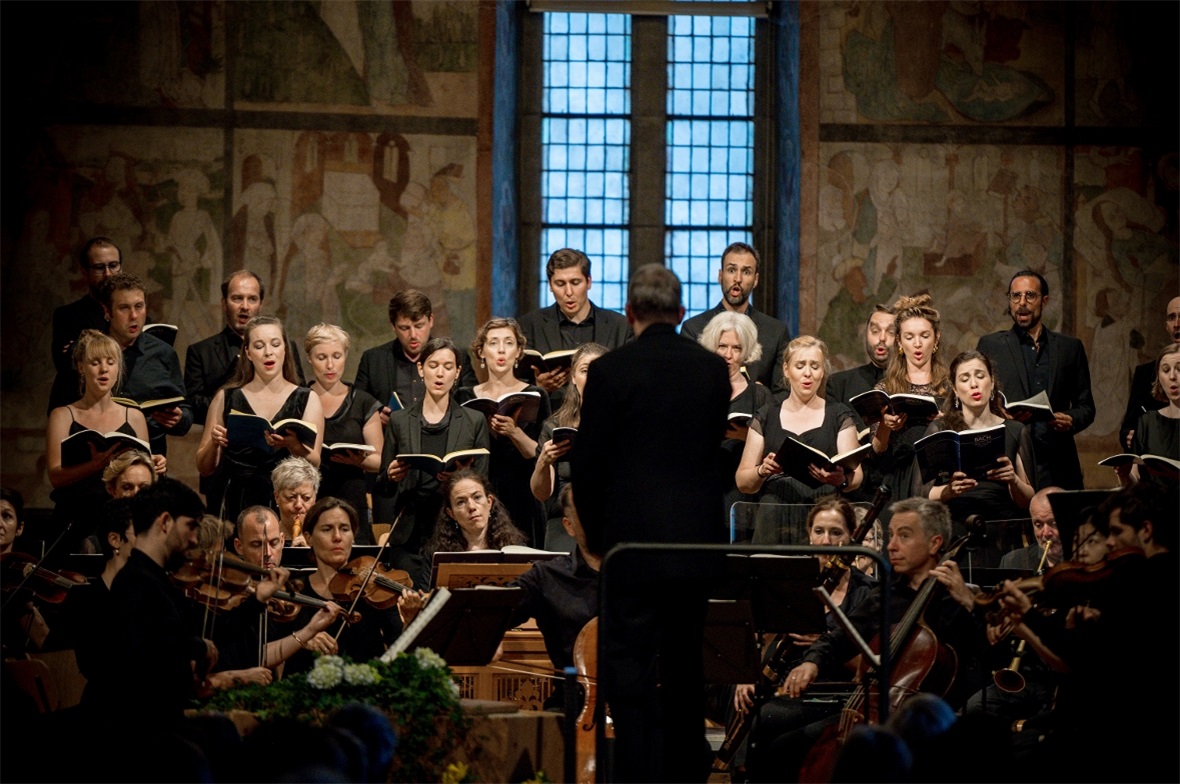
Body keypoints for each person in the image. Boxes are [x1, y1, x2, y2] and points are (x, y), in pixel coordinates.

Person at [571, 263, 731, 782]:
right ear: (682, 313)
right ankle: (687, 777)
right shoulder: (710, 370)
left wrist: (597, 539)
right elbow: (709, 456)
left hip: (631, 549)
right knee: (686, 668)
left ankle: (638, 775)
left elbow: (589, 465)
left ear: (630, 312)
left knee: (629, 670)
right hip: (695, 548)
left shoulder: (611, 371)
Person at [776, 498, 986, 781]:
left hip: (928, 724)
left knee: (796, 750)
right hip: (868, 709)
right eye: (891, 535)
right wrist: (812, 662)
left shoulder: (958, 598)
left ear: (935, 544)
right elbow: (842, 637)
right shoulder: (887, 594)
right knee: (777, 737)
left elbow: (985, 656)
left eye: (904, 536)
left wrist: (970, 605)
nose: (891, 546)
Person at [736, 497, 877, 779]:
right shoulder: (792, 580)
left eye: (836, 533)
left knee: (770, 724)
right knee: (745, 702)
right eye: (819, 531)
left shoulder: (868, 592)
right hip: (786, 686)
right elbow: (762, 637)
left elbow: (869, 667)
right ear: (808, 534)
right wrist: (746, 674)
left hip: (836, 693)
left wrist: (821, 642)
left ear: (851, 537)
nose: (826, 540)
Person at [85, 478, 216, 726]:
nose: (195, 540)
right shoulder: (136, 583)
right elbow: (152, 654)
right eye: (191, 526)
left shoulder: (153, 580)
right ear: (165, 522)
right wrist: (198, 648)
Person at [375, 337, 490, 576]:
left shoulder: (473, 420)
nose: (440, 374)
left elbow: (484, 480)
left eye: (448, 367)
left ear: (457, 373)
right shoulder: (400, 420)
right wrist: (391, 475)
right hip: (411, 531)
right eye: (433, 365)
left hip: (456, 531)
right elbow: (382, 487)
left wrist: (461, 477)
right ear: (421, 368)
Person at [736, 336, 864, 543]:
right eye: (800, 365)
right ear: (786, 370)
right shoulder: (766, 415)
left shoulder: (839, 414)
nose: (807, 373)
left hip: (824, 516)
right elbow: (743, 481)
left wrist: (840, 479)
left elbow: (856, 476)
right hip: (775, 514)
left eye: (815, 366)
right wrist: (762, 470)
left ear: (823, 372)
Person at [196, 316, 324, 524]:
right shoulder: (226, 397)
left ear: (285, 349)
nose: (268, 352)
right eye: (259, 346)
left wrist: (294, 446)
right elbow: (204, 466)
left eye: (275, 344)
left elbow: (315, 462)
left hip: (286, 503)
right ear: (247, 352)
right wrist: (214, 443)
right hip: (236, 499)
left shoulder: (307, 398)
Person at [46, 330, 164, 551]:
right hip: (76, 518)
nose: (103, 369)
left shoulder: (134, 416)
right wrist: (94, 465)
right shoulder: (62, 415)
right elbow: (55, 476)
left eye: (110, 362)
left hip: (125, 519)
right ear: (81, 367)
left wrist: (154, 465)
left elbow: (146, 476)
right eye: (95, 362)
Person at [977, 270, 1095, 490]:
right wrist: (1000, 415)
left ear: (1044, 301)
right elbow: (976, 403)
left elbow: (1087, 407)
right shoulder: (990, 345)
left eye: (1030, 295)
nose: (1022, 303)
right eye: (1015, 296)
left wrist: (1070, 419)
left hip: (1058, 462)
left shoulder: (1070, 347)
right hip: (1010, 459)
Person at [206, 506, 345, 685]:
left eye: (273, 543)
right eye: (256, 545)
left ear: (282, 541)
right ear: (239, 547)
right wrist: (301, 638)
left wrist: (305, 639)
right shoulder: (225, 593)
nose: (267, 554)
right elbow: (248, 654)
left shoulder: (293, 590)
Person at [283, 498, 422, 676]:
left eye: (345, 529)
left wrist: (410, 621)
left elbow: (399, 654)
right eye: (327, 529)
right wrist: (300, 640)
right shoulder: (294, 589)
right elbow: (269, 651)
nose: (338, 537)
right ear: (309, 537)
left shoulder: (375, 591)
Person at [456, 318, 551, 547]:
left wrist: (513, 431)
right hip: (479, 494)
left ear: (518, 352)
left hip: (523, 493)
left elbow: (540, 455)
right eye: (493, 343)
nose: (501, 350)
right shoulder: (464, 396)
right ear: (481, 351)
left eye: (508, 343)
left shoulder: (537, 395)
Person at [507, 483, 600, 711]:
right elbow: (489, 609)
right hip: (576, 707)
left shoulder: (640, 574)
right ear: (569, 526)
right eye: (586, 513)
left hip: (638, 709)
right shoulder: (547, 576)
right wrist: (487, 635)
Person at [920, 351, 1036, 522]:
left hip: (1002, 525)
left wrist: (1014, 480)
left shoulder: (1015, 430)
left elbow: (1029, 502)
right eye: (965, 379)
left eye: (980, 376)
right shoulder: (941, 429)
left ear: (992, 382)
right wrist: (949, 490)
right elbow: (921, 495)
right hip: (955, 524)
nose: (974, 384)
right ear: (955, 389)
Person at [516, 248, 632, 407]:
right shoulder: (529, 325)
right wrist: (539, 387)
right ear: (550, 285)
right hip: (549, 419)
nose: (568, 292)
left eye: (575, 283)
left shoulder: (620, 326)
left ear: (589, 282)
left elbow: (632, 382)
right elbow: (515, 384)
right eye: (560, 284)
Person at [99, 273, 193, 456]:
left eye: (139, 306)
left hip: (151, 457)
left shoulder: (163, 352)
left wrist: (179, 418)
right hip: (99, 457)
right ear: (107, 311)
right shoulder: (91, 352)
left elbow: (186, 412)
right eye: (124, 308)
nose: (133, 315)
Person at [306, 323, 383, 541]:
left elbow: (380, 459)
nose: (330, 365)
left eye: (337, 356)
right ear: (310, 358)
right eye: (321, 358)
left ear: (346, 355)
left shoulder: (363, 402)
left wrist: (358, 461)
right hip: (309, 497)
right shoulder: (298, 398)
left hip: (351, 496)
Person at [870, 294, 949, 505]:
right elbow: (877, 449)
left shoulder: (949, 386)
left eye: (924, 335)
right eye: (909, 336)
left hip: (940, 478)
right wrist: (886, 426)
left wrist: (946, 423)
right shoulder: (886, 388)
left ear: (936, 338)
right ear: (899, 341)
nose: (917, 344)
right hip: (899, 478)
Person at [679, 242, 790, 392]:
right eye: (731, 270)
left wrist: (760, 401)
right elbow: (685, 387)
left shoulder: (776, 332)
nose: (737, 278)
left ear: (756, 280)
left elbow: (783, 394)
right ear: (720, 275)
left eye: (746, 272)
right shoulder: (693, 329)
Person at [354, 289, 477, 423]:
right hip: (391, 439)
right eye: (404, 328)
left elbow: (472, 407)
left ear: (431, 321)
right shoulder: (373, 360)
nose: (413, 335)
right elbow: (358, 409)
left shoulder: (456, 356)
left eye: (419, 326)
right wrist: (375, 418)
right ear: (393, 326)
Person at [697, 311, 773, 525]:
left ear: (746, 351)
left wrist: (748, 438)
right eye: (722, 346)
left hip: (742, 495)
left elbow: (775, 445)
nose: (728, 354)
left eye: (736, 348)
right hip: (703, 487)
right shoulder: (696, 389)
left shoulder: (759, 395)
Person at [530, 342, 608, 552]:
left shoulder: (622, 424)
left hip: (608, 521)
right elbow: (541, 494)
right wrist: (543, 463)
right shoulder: (554, 426)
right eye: (584, 370)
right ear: (573, 378)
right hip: (565, 524)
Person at [48, 237, 123, 413]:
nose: (108, 274)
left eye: (113, 265)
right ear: (84, 272)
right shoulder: (67, 316)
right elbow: (68, 365)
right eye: (99, 267)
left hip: (122, 409)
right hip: (77, 409)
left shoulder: (137, 318)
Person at [421, 470, 527, 582]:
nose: (472, 507)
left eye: (477, 497)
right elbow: (429, 597)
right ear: (451, 513)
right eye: (461, 502)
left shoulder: (514, 548)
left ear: (489, 502)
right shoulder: (436, 555)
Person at [1119, 295, 1180, 450]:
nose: (1177, 324)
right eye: (1172, 318)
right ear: (1166, 325)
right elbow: (1128, 428)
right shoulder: (1145, 374)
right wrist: (1132, 437)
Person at [1116, 344, 1180, 489]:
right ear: (1158, 376)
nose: (1172, 376)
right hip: (1154, 508)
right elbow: (1136, 483)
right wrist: (1124, 474)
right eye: (1165, 370)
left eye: (1179, 369)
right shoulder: (1147, 422)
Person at [999, 487, 1063, 571]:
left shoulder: (1084, 562)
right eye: (1038, 525)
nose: (1046, 533)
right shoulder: (1012, 562)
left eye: (1054, 523)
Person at [270, 456, 320, 546]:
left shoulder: (324, 540)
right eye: (291, 497)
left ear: (315, 498)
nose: (298, 505)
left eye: (306, 498)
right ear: (276, 497)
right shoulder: (266, 539)